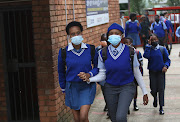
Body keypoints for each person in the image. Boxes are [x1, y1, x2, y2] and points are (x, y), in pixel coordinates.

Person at [79, 23, 148, 122]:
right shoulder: (102, 53)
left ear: (122, 36)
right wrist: (89, 79)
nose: (114, 35)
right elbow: (102, 75)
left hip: (127, 87)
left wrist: (144, 92)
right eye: (111, 33)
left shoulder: (130, 51)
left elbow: (137, 73)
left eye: (117, 33)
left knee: (120, 117)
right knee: (114, 118)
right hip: (110, 88)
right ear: (108, 36)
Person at [58, 21, 98, 122]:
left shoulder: (91, 49)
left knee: (83, 116)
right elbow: (61, 72)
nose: (76, 36)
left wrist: (89, 74)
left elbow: (98, 67)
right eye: (73, 34)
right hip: (72, 88)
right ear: (69, 36)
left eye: (78, 33)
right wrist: (63, 88)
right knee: (77, 119)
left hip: (87, 86)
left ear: (82, 33)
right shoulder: (64, 52)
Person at [143, 34, 171, 115]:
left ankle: (161, 107)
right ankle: (155, 97)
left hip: (161, 72)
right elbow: (146, 56)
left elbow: (167, 60)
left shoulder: (162, 49)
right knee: (153, 88)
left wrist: (166, 66)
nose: (154, 41)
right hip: (152, 72)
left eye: (155, 40)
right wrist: (148, 45)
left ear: (158, 40)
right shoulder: (149, 49)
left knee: (161, 89)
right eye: (152, 40)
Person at [124, 37, 144, 113]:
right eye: (124, 43)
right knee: (126, 91)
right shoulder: (122, 52)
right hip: (126, 74)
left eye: (127, 43)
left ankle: (135, 103)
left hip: (134, 74)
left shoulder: (136, 52)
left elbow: (141, 64)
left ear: (131, 43)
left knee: (135, 90)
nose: (126, 44)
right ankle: (127, 106)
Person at [95, 34, 109, 118]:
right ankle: (107, 103)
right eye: (102, 40)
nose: (104, 41)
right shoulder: (97, 49)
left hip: (110, 73)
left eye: (106, 40)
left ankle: (110, 108)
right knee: (104, 90)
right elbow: (96, 61)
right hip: (102, 73)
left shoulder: (111, 49)